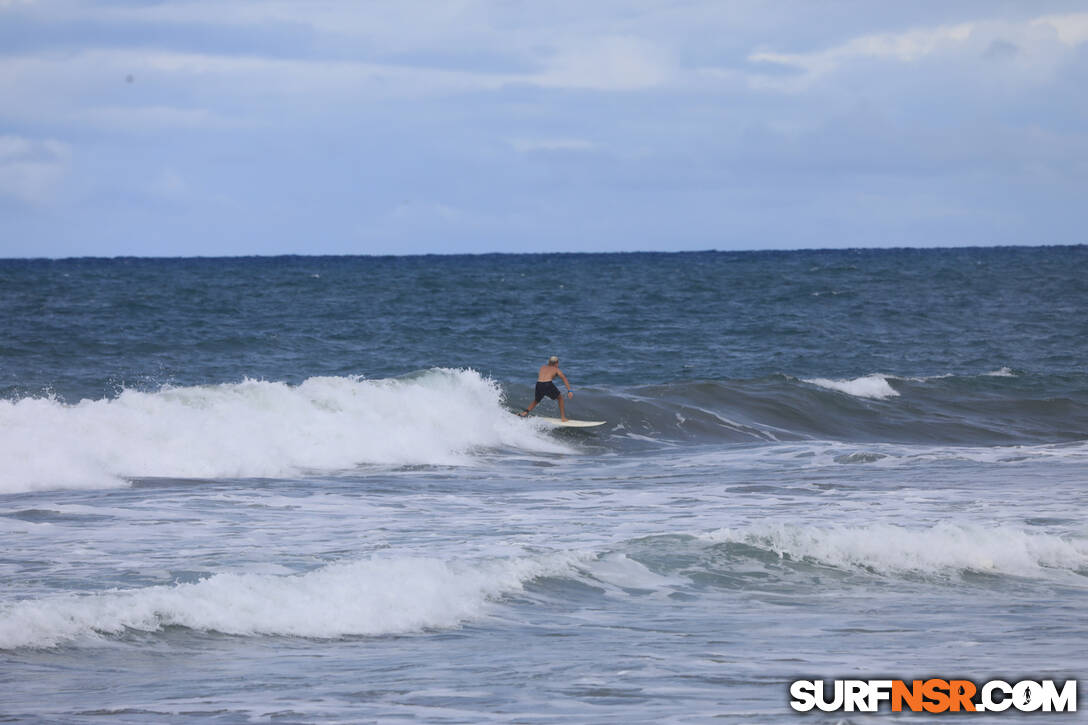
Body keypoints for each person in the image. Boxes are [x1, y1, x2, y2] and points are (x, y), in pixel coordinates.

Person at [519, 355, 574, 421]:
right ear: (556, 363)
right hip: (547, 384)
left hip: (538, 384)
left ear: (549, 362)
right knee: (560, 398)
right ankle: (563, 418)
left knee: (537, 400)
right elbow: (564, 379)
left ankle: (524, 413)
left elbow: (546, 375)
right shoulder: (556, 369)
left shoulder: (542, 367)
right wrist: (569, 391)